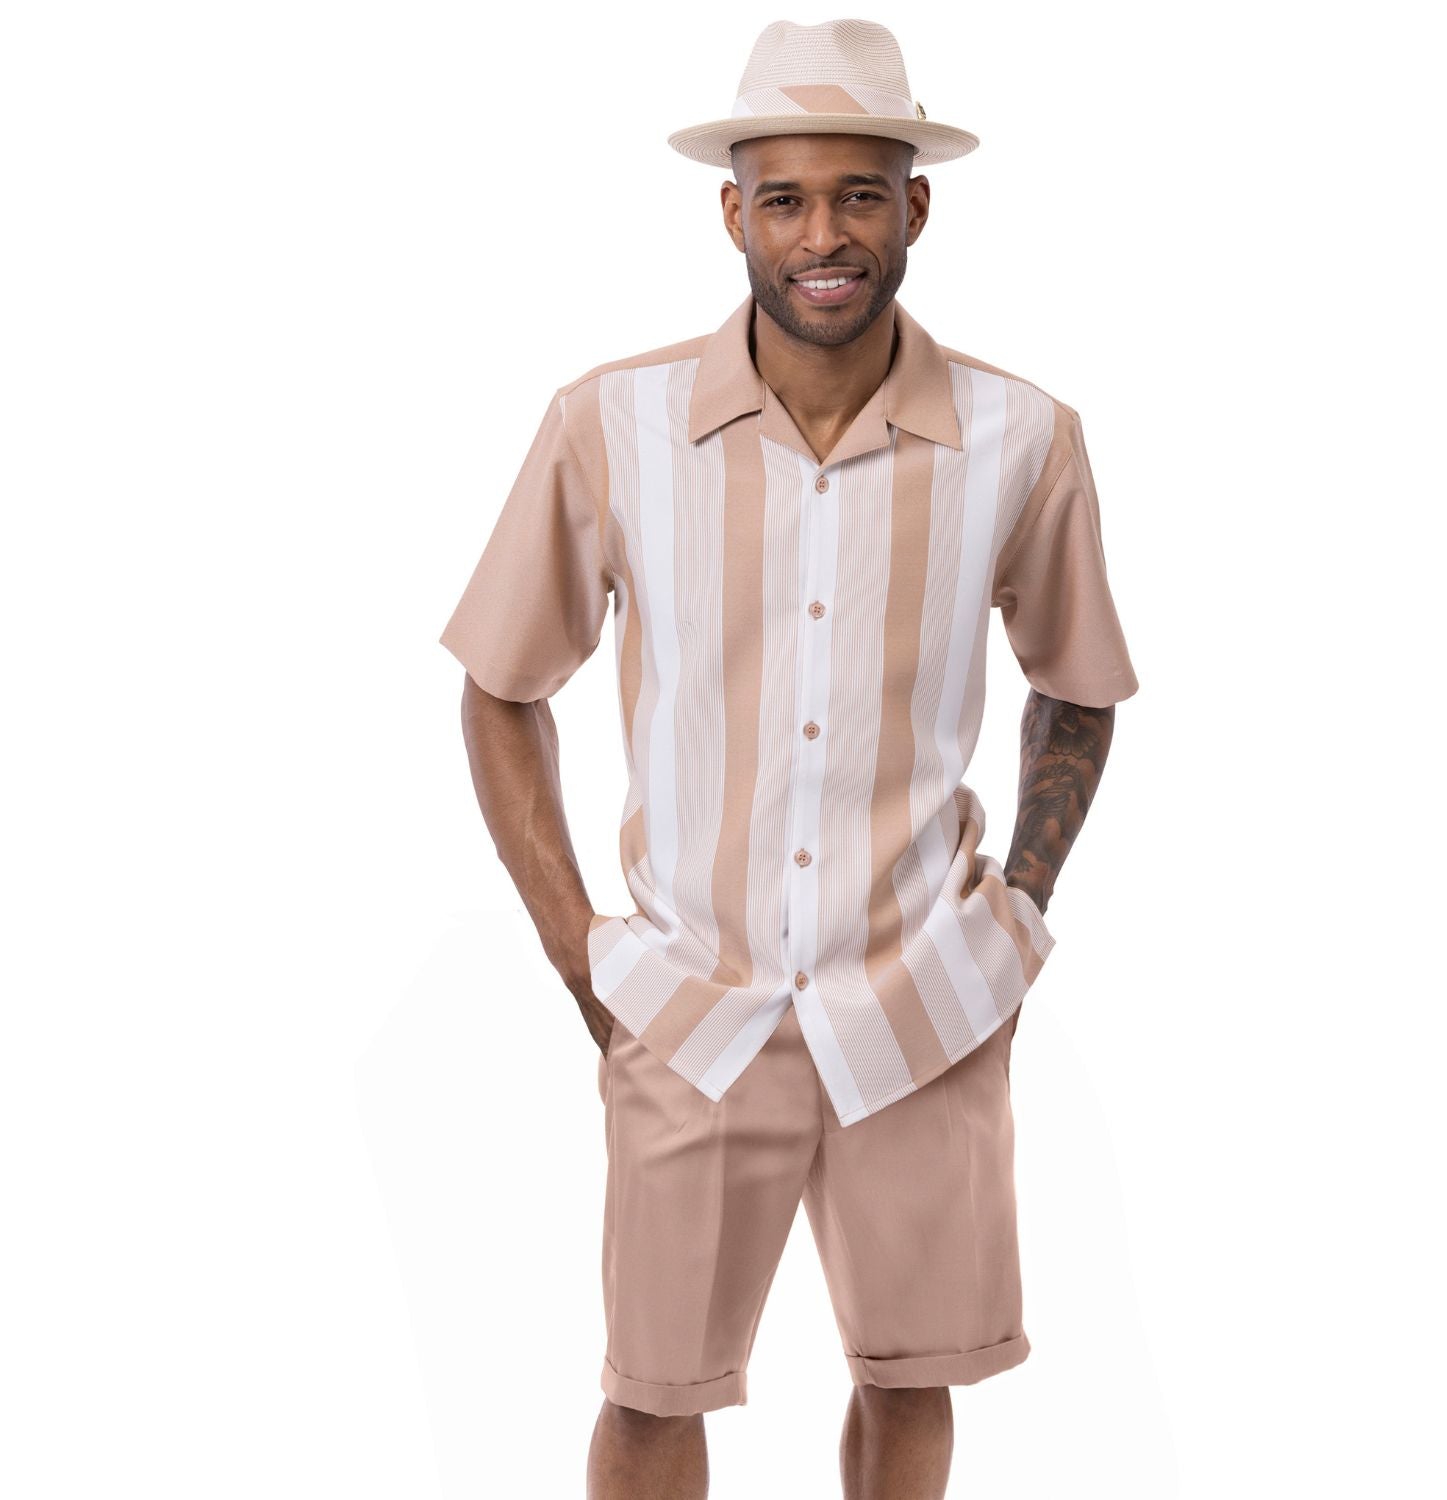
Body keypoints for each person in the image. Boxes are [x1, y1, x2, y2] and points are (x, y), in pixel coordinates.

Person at [438, 19, 1139, 1499]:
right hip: (692, 1006)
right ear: (733, 214)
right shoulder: (610, 427)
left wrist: (1014, 915)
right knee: (652, 1395)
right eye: (787, 199)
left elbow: (1075, 690)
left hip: (925, 1000)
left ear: (915, 207)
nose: (824, 236)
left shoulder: (1025, 438)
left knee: (910, 1378)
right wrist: (580, 955)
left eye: (860, 195)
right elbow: (500, 689)